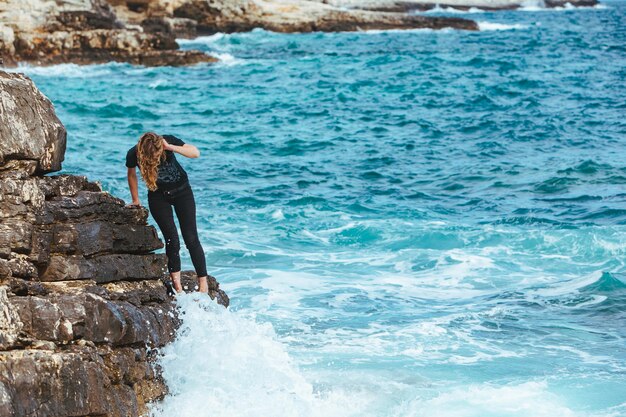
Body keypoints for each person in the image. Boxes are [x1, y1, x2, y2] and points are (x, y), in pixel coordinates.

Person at [125, 131, 208, 294]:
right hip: (158, 197)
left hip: (183, 192)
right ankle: (177, 287)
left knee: (191, 238)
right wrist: (136, 199)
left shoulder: (167, 142)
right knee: (172, 240)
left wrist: (170, 147)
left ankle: (203, 283)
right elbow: (131, 174)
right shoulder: (133, 153)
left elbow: (195, 153)